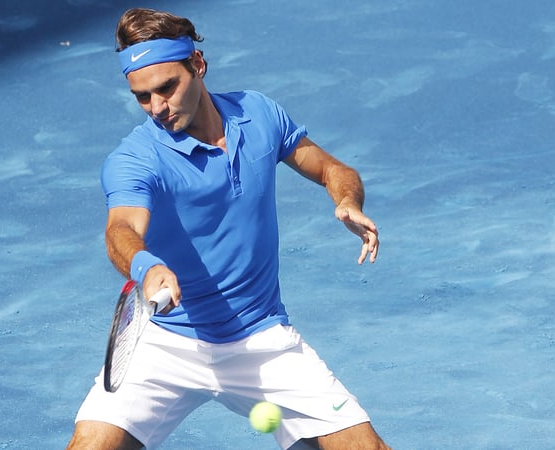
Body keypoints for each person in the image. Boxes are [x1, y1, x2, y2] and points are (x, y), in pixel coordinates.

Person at [67, 7, 389, 450]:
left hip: (262, 338)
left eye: (167, 87)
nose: (157, 107)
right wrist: (147, 267)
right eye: (142, 97)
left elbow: (332, 169)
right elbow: (120, 228)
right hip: (165, 343)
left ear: (197, 64)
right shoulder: (134, 159)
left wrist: (347, 200)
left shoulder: (258, 114)